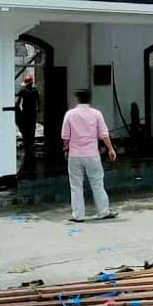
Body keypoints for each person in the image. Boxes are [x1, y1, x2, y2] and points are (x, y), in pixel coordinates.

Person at [61, 90, 118, 222]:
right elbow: (104, 134)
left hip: (74, 155)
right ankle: (103, 211)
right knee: (97, 183)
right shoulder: (96, 114)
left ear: (77, 99)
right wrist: (111, 149)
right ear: (89, 99)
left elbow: (65, 136)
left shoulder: (70, 114)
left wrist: (66, 150)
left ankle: (78, 215)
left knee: (75, 185)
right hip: (92, 154)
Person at [15, 75, 40, 172]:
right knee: (32, 130)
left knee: (25, 130)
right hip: (32, 115)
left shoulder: (23, 91)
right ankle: (31, 145)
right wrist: (38, 111)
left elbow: (17, 103)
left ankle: (27, 145)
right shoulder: (35, 91)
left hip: (25, 114)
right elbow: (39, 103)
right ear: (32, 83)